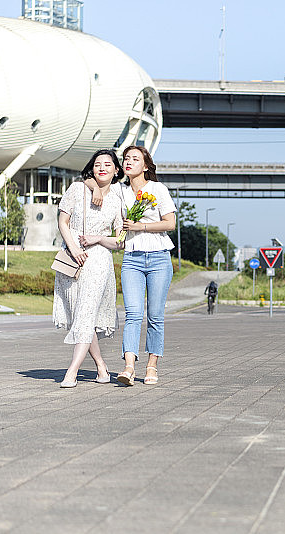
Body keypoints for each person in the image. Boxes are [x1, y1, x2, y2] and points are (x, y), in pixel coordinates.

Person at [52, 149, 124, 388]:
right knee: (82, 316)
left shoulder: (118, 199)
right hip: (73, 258)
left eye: (107, 164)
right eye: (97, 164)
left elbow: (119, 241)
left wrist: (98, 239)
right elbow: (62, 221)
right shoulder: (77, 189)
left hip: (99, 261)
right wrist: (74, 248)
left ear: (116, 170)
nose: (101, 168)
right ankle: (102, 367)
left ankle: (72, 372)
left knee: (85, 313)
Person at [109, 145, 176, 386]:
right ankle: (128, 367)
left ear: (145, 166)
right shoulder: (119, 191)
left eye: (135, 159)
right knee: (133, 314)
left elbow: (170, 223)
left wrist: (141, 226)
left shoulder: (157, 189)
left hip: (159, 257)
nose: (129, 162)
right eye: (126, 158)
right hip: (132, 258)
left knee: (155, 316)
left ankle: (151, 367)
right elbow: (92, 182)